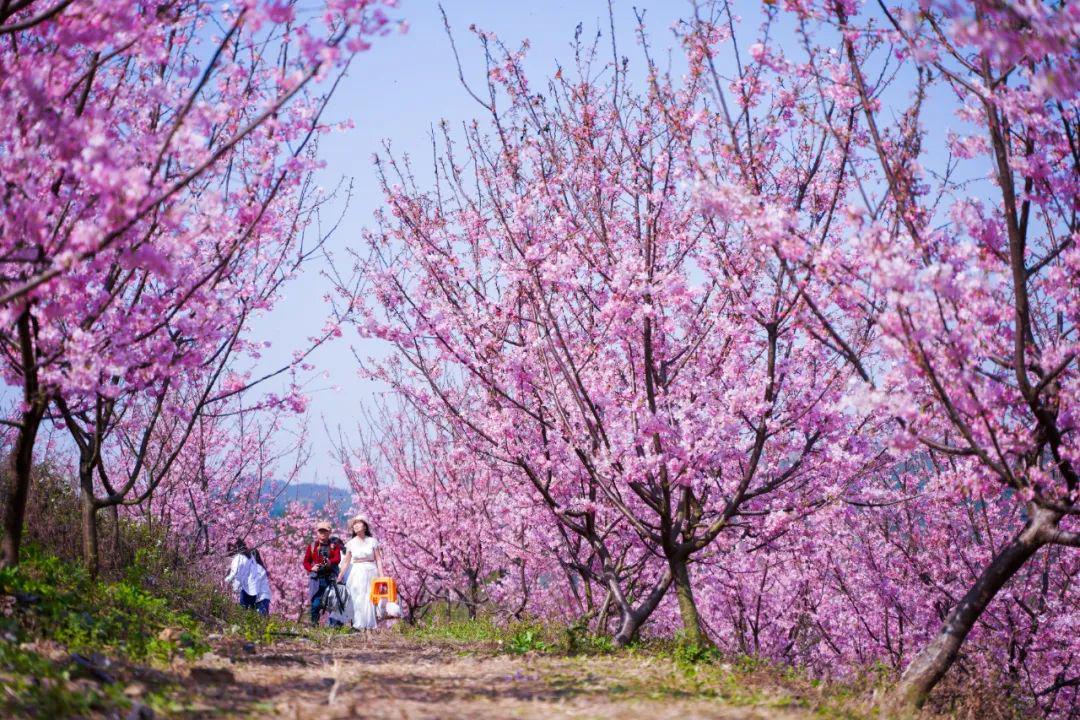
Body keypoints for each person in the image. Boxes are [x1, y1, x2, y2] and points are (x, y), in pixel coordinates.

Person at [337, 515, 384, 630]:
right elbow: (346, 562)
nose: (356, 526)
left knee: (370, 598)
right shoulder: (351, 543)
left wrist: (381, 576)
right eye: (354, 524)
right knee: (357, 598)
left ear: (365, 526)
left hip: (371, 571)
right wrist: (340, 577)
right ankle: (357, 624)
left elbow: (378, 559)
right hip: (356, 573)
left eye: (358, 523)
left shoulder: (372, 541)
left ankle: (369, 625)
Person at [303, 520, 343, 626]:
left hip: (330, 577)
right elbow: (306, 561)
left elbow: (337, 558)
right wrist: (312, 568)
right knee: (316, 603)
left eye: (325, 532)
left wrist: (330, 562)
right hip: (317, 579)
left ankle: (334, 625)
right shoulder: (312, 546)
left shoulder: (334, 546)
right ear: (317, 533)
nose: (322, 534)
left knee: (333, 602)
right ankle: (314, 624)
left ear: (329, 533)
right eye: (320, 532)